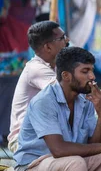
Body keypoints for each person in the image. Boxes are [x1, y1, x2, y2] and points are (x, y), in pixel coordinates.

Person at [8, 21, 69, 152]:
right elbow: (70, 93)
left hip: (44, 132)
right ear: (48, 47)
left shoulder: (56, 66)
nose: (67, 41)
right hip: (24, 139)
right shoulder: (36, 69)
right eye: (62, 38)